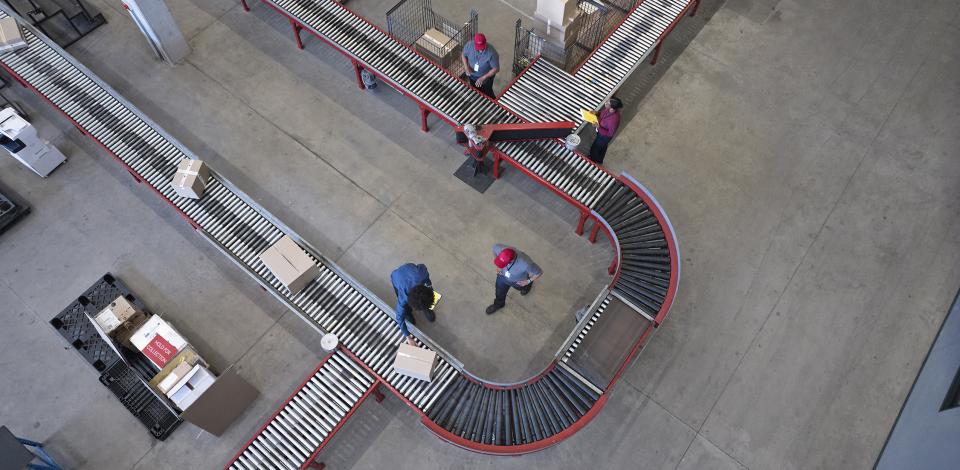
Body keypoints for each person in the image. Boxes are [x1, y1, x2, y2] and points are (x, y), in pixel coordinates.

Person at [485, 244, 543, 315]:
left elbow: (539, 272)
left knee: (522, 287)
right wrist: (499, 265)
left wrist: (528, 281)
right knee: (499, 291)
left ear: (511, 261)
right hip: (502, 276)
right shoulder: (499, 248)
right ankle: (499, 304)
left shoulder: (525, 263)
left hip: (518, 281)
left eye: (504, 263)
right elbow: (494, 250)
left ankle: (527, 286)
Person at [390, 263, 436, 345]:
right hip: (396, 276)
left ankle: (426, 308)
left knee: (424, 300)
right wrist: (408, 336)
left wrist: (429, 285)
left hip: (410, 269)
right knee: (406, 310)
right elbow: (399, 318)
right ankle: (408, 313)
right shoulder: (403, 299)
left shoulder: (422, 275)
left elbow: (422, 266)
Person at [461, 33, 499, 98]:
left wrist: (483, 78)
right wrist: (466, 67)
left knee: (487, 93)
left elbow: (496, 69)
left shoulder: (492, 53)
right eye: (478, 47)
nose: (480, 49)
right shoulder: (469, 45)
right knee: (475, 91)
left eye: (482, 47)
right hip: (472, 76)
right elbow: (463, 55)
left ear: (485, 42)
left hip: (486, 80)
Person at [589, 97, 623, 164]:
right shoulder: (608, 110)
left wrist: (598, 127)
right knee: (602, 147)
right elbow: (602, 113)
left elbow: (610, 133)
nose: (605, 103)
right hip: (601, 133)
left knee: (595, 148)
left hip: (604, 137)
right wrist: (596, 113)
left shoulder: (613, 120)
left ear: (612, 108)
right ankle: (599, 159)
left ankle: (592, 160)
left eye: (607, 103)